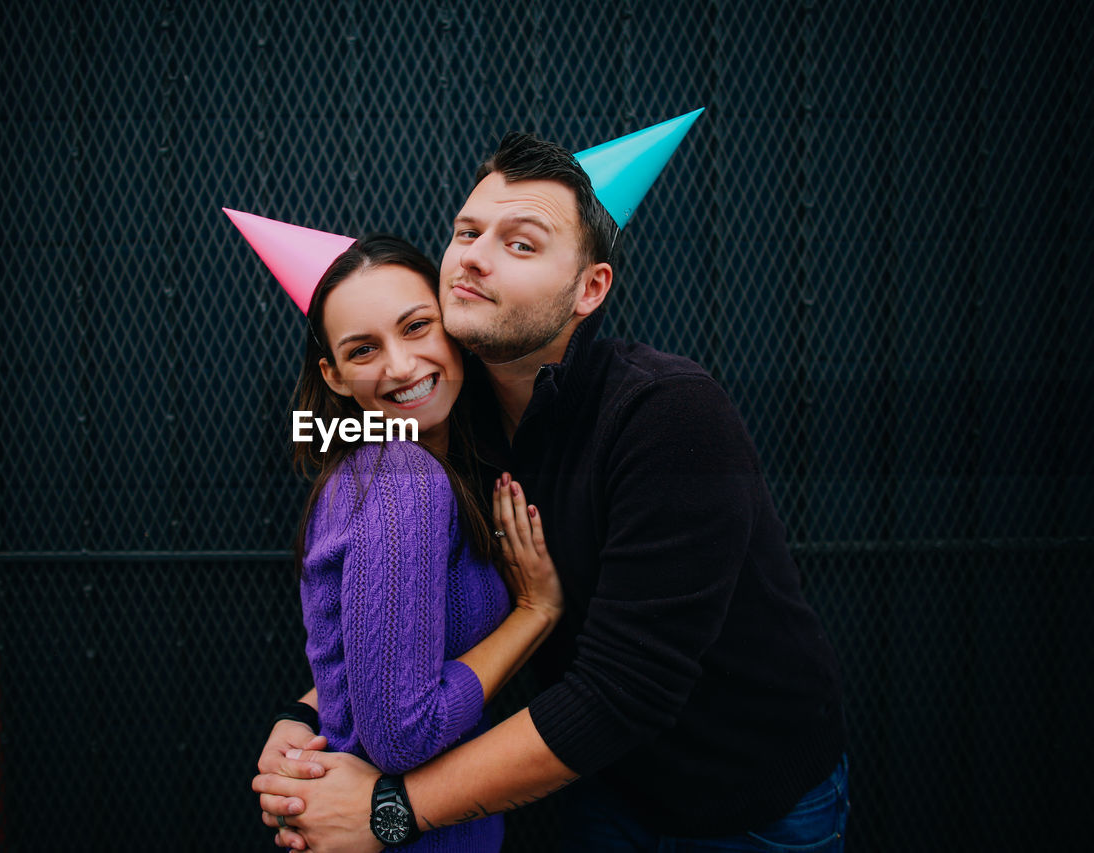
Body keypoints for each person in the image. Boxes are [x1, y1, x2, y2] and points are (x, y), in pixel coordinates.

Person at [252, 117, 848, 852]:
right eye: (466, 233)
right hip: (598, 785)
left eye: (521, 243)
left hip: (748, 807)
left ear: (589, 288)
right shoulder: (444, 416)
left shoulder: (669, 413)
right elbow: (385, 606)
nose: (474, 259)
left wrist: (387, 810)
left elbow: (623, 689)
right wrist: (303, 720)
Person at [247, 226, 566, 852]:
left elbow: (379, 657)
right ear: (334, 377)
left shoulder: (415, 468)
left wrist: (304, 712)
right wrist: (536, 611)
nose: (400, 366)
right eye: (363, 351)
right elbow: (403, 734)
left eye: (417, 326)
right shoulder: (402, 479)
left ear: (453, 324)